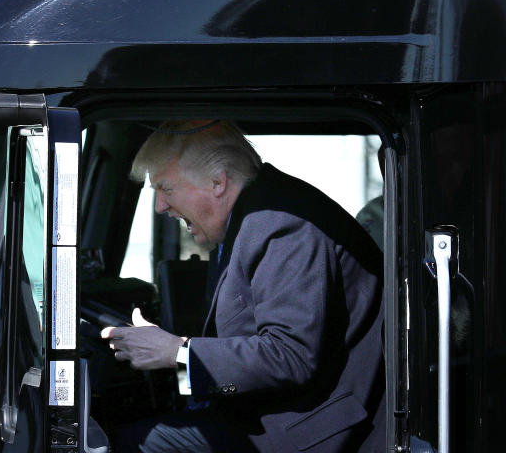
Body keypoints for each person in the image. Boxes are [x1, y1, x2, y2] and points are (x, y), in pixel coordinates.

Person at [102, 120, 385, 452]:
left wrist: (177, 351)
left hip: (307, 430)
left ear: (217, 181)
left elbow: (290, 356)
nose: (160, 206)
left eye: (165, 188)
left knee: (132, 444)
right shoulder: (250, 217)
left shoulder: (280, 223)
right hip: (272, 414)